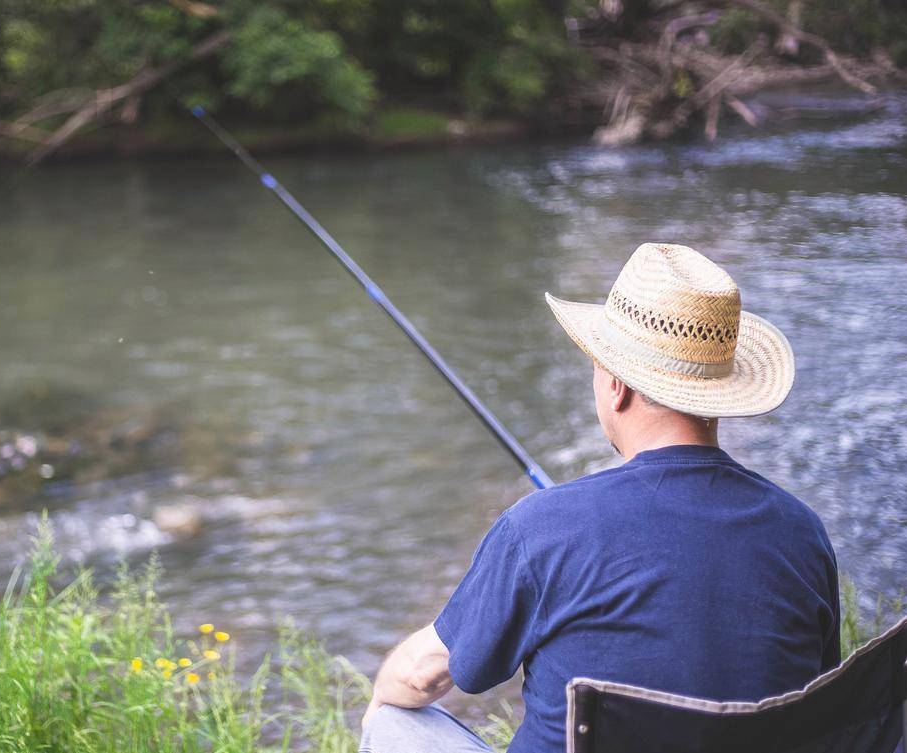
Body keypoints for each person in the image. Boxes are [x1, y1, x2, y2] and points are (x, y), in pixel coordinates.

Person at [359, 243, 840, 753]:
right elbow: (819, 693)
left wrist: (380, 694)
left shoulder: (542, 527)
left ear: (616, 387)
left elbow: (421, 679)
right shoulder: (800, 530)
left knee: (392, 717)